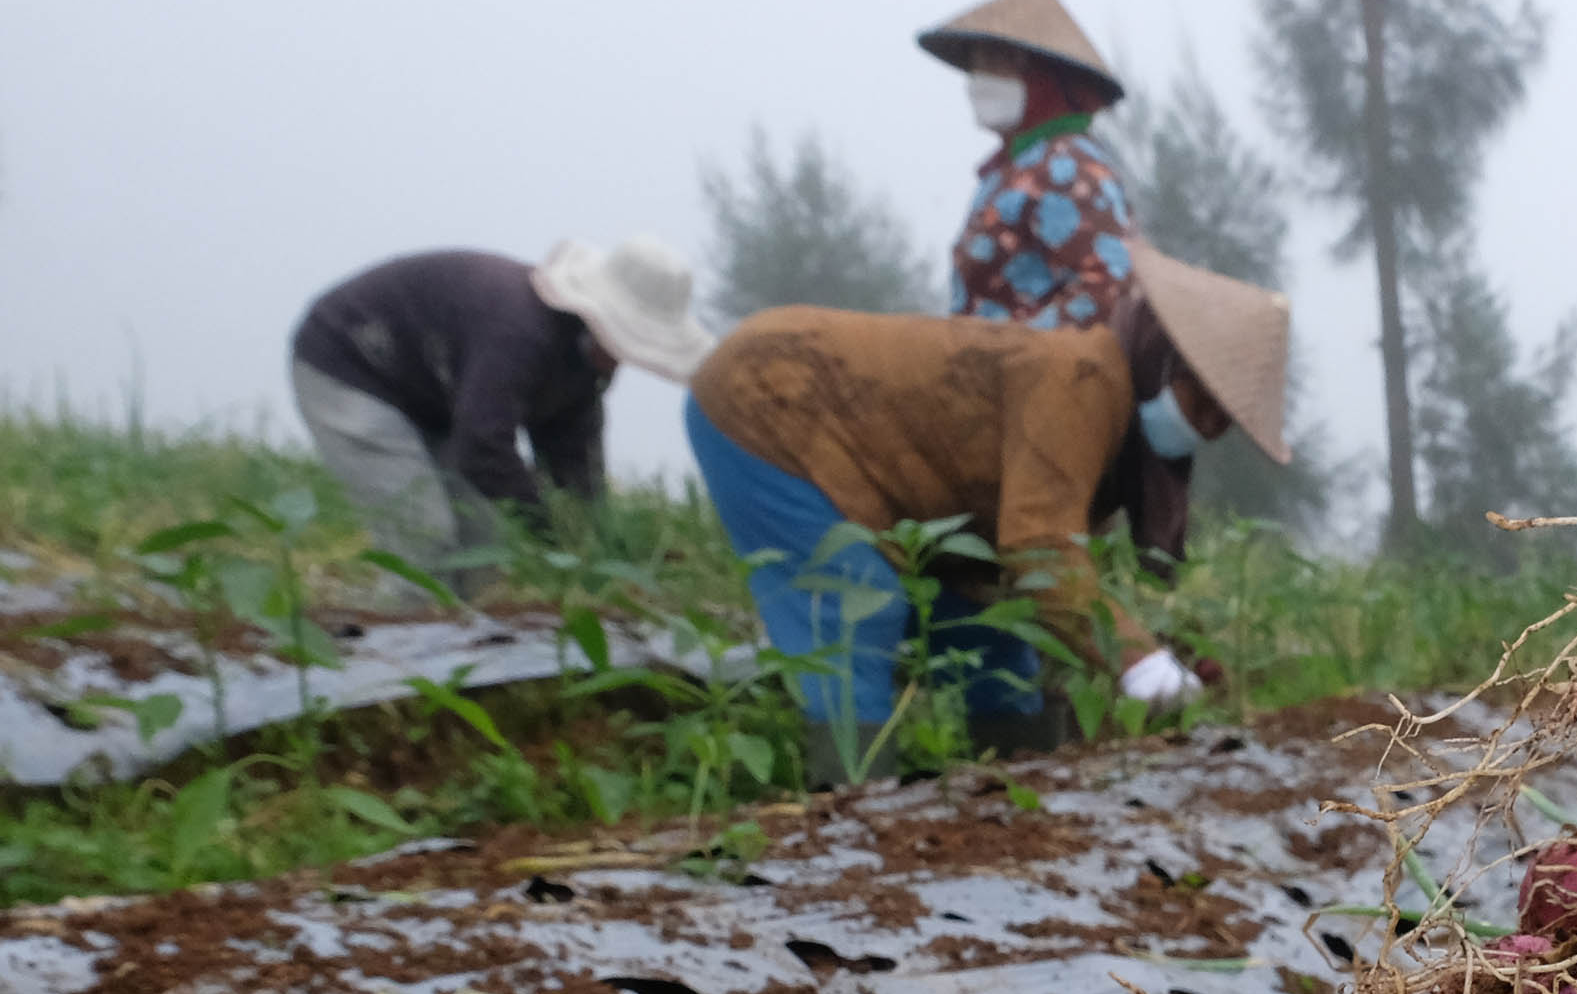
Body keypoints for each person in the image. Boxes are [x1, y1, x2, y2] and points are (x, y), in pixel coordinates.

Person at [681, 250, 1287, 787]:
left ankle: (1018, 805)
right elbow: (1041, 548)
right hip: (768, 397)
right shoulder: (1081, 379)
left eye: (1224, 421)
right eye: (1202, 400)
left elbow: (1040, 578)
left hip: (892, 481)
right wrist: (1141, 662)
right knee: (857, 603)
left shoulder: (1119, 437)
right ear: (1162, 358)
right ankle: (852, 811)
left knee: (998, 639)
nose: (1208, 426)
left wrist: (1142, 656)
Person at [287, 241, 709, 567]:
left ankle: (456, 646)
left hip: (432, 395)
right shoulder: (520, 333)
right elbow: (483, 445)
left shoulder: (586, 368)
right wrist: (549, 529)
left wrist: (594, 544)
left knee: (480, 548)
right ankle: (398, 649)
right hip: (352, 364)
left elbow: (573, 464)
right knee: (422, 539)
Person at [922, 0, 1138, 332]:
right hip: (985, 362)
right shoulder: (1010, 171)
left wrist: (1015, 351)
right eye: (977, 66)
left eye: (996, 63)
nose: (979, 81)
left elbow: (1110, 286)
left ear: (1045, 77)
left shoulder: (1070, 167)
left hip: (1046, 366)